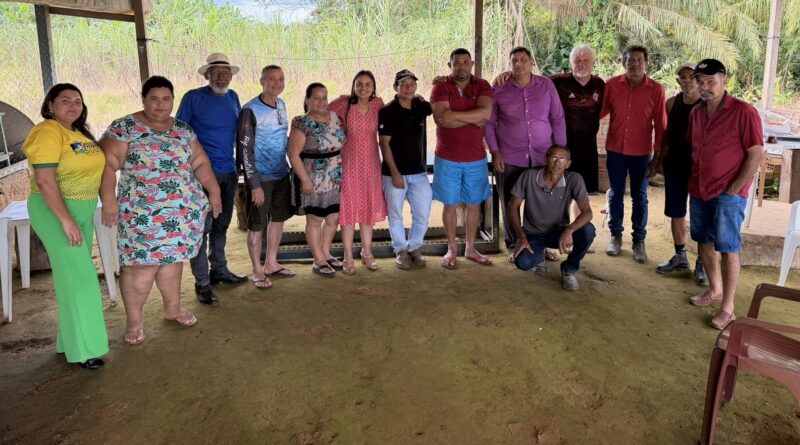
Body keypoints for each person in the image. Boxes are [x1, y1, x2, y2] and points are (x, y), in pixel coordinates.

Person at [100, 76, 222, 345]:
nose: (160, 105)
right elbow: (107, 164)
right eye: (153, 99)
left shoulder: (182, 129)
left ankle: (173, 308)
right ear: (143, 99)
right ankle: (134, 321)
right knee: (140, 268)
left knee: (172, 262)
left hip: (180, 214)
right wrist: (108, 200)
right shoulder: (124, 128)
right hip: (142, 214)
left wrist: (213, 192)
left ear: (173, 101)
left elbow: (200, 162)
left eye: (166, 99)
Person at [23, 84, 109, 369]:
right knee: (82, 278)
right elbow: (46, 180)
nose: (74, 105)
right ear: (50, 105)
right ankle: (85, 349)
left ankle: (69, 341)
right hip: (56, 210)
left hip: (80, 208)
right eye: (65, 100)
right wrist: (65, 219)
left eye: (78, 101)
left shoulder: (78, 133)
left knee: (70, 276)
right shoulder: (47, 131)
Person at [685, 59, 763, 329]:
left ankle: (728, 307)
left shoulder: (744, 112)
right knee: (704, 243)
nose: (705, 87)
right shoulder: (696, 113)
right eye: (700, 82)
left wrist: (734, 189)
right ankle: (714, 289)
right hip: (699, 189)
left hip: (728, 193)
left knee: (728, 248)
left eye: (711, 82)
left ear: (725, 80)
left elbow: (755, 154)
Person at [176, 53, 247, 306]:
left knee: (221, 224)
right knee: (201, 228)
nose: (221, 76)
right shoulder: (193, 98)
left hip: (228, 170)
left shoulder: (233, 97)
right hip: (201, 174)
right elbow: (179, 133)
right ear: (207, 75)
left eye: (225, 72)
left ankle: (219, 269)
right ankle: (202, 282)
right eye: (215, 72)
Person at [485, 46, 566, 260]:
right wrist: (495, 151)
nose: (519, 64)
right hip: (510, 157)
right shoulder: (500, 87)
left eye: (523, 60)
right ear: (510, 65)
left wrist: (560, 155)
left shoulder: (546, 86)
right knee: (510, 201)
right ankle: (513, 244)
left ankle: (542, 243)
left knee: (540, 202)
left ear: (532, 63)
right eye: (514, 61)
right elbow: (490, 122)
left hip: (542, 156)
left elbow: (557, 119)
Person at [600, 45, 666, 263]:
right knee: (615, 193)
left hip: (641, 153)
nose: (634, 64)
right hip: (616, 150)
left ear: (646, 63)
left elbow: (661, 125)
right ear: (624, 63)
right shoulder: (612, 85)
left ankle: (639, 241)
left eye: (639, 60)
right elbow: (598, 112)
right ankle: (615, 236)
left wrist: (658, 157)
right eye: (630, 60)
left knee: (640, 196)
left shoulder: (656, 89)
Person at [430, 48, 494, 269]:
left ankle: (470, 247)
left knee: (474, 203)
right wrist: (473, 118)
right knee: (450, 204)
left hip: (476, 157)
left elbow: (486, 115)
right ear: (450, 65)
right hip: (447, 157)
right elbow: (441, 120)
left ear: (472, 63)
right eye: (456, 63)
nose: (461, 66)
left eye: (465, 62)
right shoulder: (440, 86)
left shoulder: (483, 85)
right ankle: (451, 248)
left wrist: (455, 115)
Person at [236, 65, 295, 289]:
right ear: (262, 81)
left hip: (281, 174)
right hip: (260, 179)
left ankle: (271, 263)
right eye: (272, 79)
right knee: (257, 225)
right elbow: (244, 150)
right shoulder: (249, 110)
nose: (277, 83)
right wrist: (254, 185)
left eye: (281, 79)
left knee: (278, 220)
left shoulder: (282, 105)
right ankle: (257, 270)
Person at [649, 62, 708, 284]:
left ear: (698, 80)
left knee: (701, 214)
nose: (686, 80)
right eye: (682, 77)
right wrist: (658, 159)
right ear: (678, 81)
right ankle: (680, 255)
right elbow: (667, 133)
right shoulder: (671, 103)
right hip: (675, 164)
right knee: (676, 212)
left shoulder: (707, 105)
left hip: (699, 167)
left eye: (691, 76)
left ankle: (703, 262)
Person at [508, 145, 595, 290]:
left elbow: (588, 212)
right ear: (546, 159)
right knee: (523, 263)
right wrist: (521, 236)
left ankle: (569, 269)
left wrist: (569, 230)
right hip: (533, 233)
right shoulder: (529, 176)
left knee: (588, 231)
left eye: (562, 159)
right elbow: (512, 206)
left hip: (558, 232)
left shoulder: (574, 179)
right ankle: (539, 256)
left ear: (568, 164)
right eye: (553, 157)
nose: (557, 163)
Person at [329, 71, 387, 274]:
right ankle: (347, 254)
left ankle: (367, 251)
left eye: (368, 84)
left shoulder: (378, 105)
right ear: (353, 85)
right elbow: (320, 111)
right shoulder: (344, 104)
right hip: (348, 164)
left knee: (368, 207)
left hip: (371, 164)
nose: (363, 87)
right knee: (348, 209)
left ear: (374, 87)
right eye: (359, 83)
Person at [550, 44, 605, 255]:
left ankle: (580, 236)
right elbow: (531, 81)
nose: (581, 64)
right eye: (577, 60)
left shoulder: (600, 84)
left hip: (588, 150)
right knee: (558, 195)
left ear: (593, 63)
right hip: (562, 151)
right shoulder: (558, 82)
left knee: (580, 196)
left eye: (586, 60)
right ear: (571, 62)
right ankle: (555, 238)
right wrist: (509, 73)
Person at [287, 83, 346, 277]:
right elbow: (293, 154)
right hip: (313, 176)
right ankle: (318, 259)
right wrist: (305, 180)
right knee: (315, 219)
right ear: (307, 100)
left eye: (324, 97)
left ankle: (326, 252)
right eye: (316, 98)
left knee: (333, 217)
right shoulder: (302, 123)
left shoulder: (335, 117)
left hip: (335, 175)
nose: (321, 102)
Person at [378, 69, 433, 268]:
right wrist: (395, 173)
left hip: (418, 172)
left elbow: (438, 105)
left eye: (412, 83)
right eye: (404, 84)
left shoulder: (421, 106)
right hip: (394, 174)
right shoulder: (388, 111)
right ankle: (400, 249)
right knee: (396, 215)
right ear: (395, 87)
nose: (409, 87)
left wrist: (439, 81)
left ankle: (415, 247)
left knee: (423, 213)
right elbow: (383, 144)